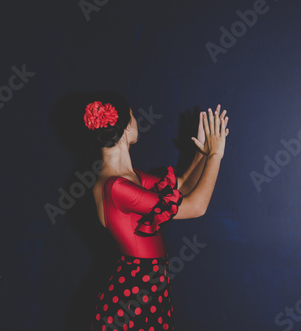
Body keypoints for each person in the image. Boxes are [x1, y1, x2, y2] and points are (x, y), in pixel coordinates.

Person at [86, 91, 229, 331]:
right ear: (125, 128)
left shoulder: (130, 179)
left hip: (146, 290)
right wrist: (216, 155)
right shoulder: (116, 187)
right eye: (132, 116)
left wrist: (203, 153)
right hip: (132, 300)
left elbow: (180, 185)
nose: (136, 120)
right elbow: (196, 207)